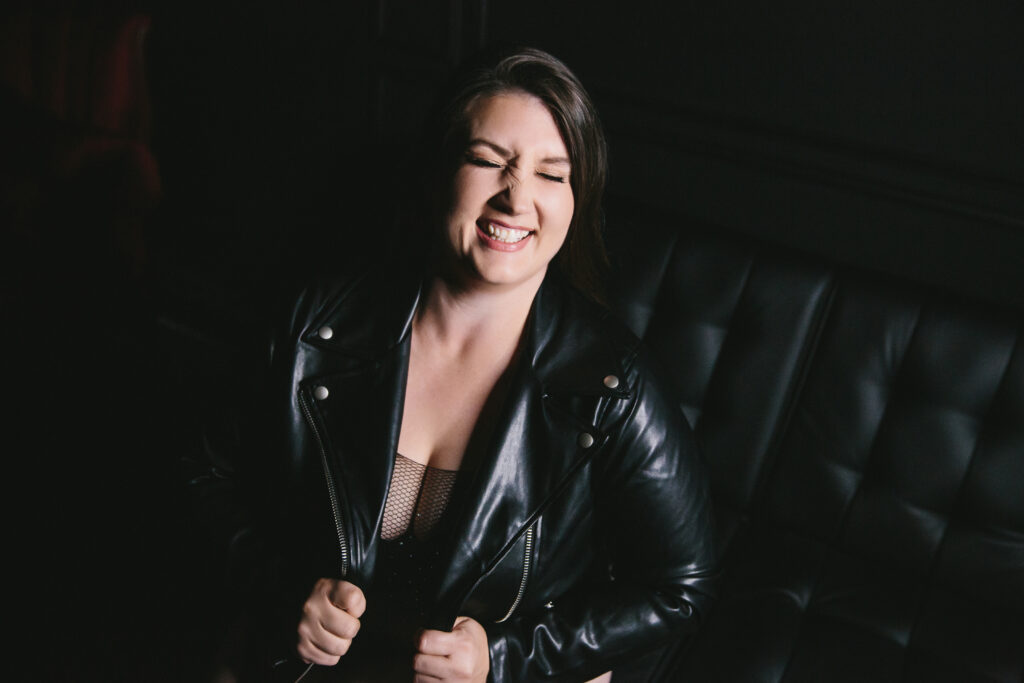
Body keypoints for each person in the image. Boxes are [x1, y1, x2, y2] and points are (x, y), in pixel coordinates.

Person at [191, 46, 717, 682]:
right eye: (488, 161)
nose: (516, 198)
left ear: (577, 200)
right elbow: (207, 474)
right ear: (440, 170)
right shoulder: (316, 321)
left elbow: (679, 587)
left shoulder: (613, 385)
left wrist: (505, 659)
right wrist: (283, 592)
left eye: (552, 175)